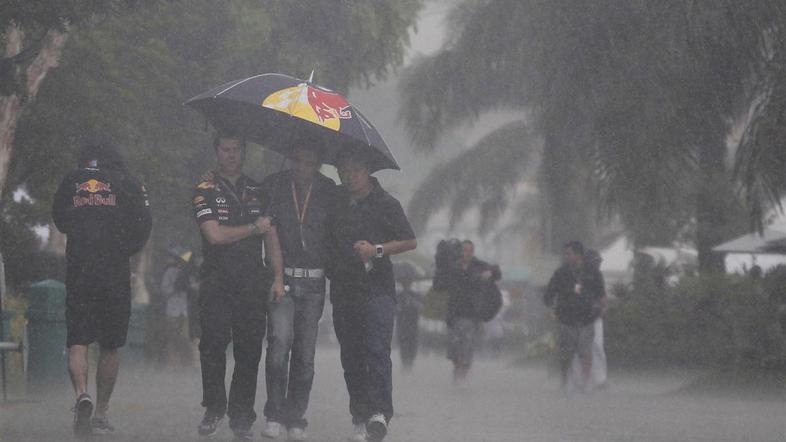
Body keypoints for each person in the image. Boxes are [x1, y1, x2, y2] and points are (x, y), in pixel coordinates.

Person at [52, 141, 152, 437]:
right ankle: (100, 413)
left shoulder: (71, 181)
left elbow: (60, 220)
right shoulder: (129, 182)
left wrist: (82, 235)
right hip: (114, 272)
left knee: (78, 340)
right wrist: (124, 249)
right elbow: (144, 224)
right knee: (110, 344)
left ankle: (82, 394)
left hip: (80, 270)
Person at [192, 131, 285, 441]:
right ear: (216, 152)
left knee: (249, 352)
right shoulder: (204, 188)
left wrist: (278, 277)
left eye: (236, 149)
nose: (230, 155)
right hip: (216, 280)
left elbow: (271, 236)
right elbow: (214, 235)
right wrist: (251, 228)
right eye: (225, 149)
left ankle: (242, 416)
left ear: (244, 153)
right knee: (213, 344)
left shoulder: (259, 190)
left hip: (250, 282)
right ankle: (214, 407)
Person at [326, 149, 417, 442]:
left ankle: (380, 413)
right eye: (344, 171)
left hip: (378, 288)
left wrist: (376, 250)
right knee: (351, 354)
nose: (349, 176)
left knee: (377, 348)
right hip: (343, 288)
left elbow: (409, 240)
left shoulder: (387, 204)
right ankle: (360, 414)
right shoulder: (335, 202)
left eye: (355, 170)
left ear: (368, 171)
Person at [258, 144, 337, 441]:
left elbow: (337, 231)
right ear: (292, 160)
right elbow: (266, 225)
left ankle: (296, 417)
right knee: (278, 345)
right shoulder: (275, 184)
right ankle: (274, 414)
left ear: (318, 164)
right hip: (284, 279)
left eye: (310, 163)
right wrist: (276, 276)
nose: (304, 169)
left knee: (305, 354)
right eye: (299, 162)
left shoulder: (329, 191)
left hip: (315, 283)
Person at [543, 241, 606, 392]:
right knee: (566, 353)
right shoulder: (561, 273)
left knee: (585, 351)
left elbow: (601, 294)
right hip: (566, 318)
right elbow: (549, 294)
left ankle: (585, 382)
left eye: (569, 253)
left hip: (587, 318)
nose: (566, 257)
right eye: (566, 254)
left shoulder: (593, 272)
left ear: (579, 254)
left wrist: (601, 308)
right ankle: (564, 381)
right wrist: (551, 309)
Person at [436, 239, 501, 384]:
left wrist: (489, 273)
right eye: (464, 250)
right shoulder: (452, 267)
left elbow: (497, 272)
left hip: (471, 315)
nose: (467, 254)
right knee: (454, 351)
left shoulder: (479, 266)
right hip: (453, 315)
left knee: (467, 348)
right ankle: (457, 372)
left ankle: (462, 378)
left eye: (470, 251)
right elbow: (439, 283)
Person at [569, 249, 608, 390]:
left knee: (597, 346)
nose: (598, 264)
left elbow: (602, 295)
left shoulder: (598, 276)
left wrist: (603, 307)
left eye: (599, 262)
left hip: (595, 317)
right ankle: (579, 380)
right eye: (596, 261)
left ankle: (600, 379)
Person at [160, 246, 194, 368]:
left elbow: (191, 290)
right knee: (172, 338)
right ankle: (172, 364)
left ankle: (188, 363)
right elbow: (164, 290)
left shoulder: (186, 274)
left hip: (182, 311)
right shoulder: (169, 272)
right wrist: (175, 289)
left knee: (184, 338)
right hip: (172, 311)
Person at [395, 274, 423, 372]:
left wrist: (412, 303)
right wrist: (401, 306)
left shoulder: (416, 295)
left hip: (413, 324)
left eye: (408, 282)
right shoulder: (398, 296)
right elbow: (394, 309)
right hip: (402, 324)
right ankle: (405, 365)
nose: (406, 284)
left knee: (412, 346)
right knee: (403, 345)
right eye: (404, 282)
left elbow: (421, 307)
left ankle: (410, 364)